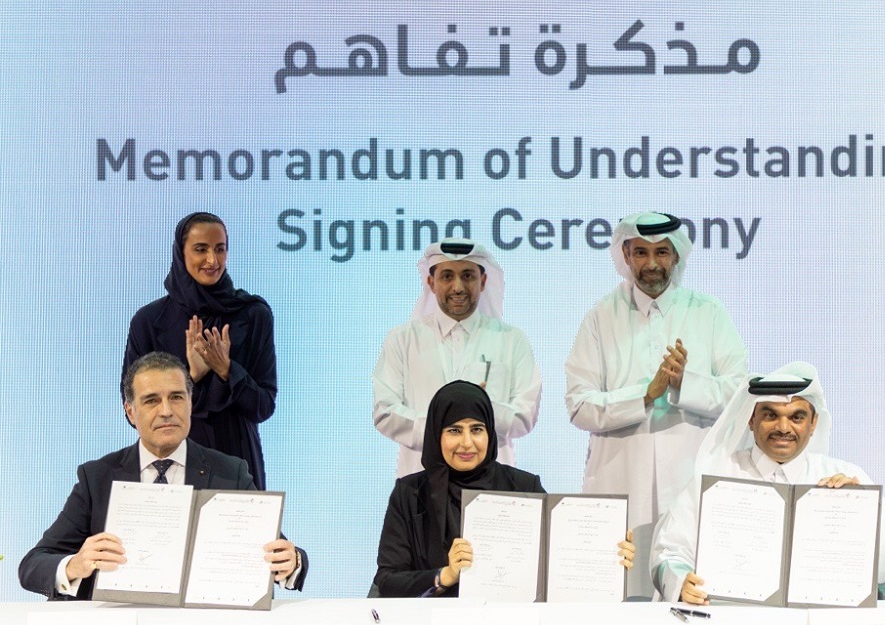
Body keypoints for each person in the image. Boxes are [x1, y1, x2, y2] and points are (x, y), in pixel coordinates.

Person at [20, 352, 306, 600]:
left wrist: (291, 562)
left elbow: (278, 553)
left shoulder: (231, 472)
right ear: (130, 411)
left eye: (177, 397)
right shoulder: (97, 477)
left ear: (190, 403)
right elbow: (33, 564)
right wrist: (75, 565)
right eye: (151, 401)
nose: (167, 411)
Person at [564, 211, 748, 599]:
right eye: (641, 253)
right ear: (626, 256)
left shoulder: (707, 313)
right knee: (618, 600)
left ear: (677, 255)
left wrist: (685, 383)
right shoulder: (600, 317)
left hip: (687, 478)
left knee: (690, 595)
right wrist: (645, 395)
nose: (651, 264)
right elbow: (579, 406)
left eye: (661, 252)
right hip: (619, 480)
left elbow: (739, 395)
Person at [649, 361, 885, 604]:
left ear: (813, 424)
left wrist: (863, 510)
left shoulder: (843, 478)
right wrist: (682, 583)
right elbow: (670, 551)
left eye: (797, 417)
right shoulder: (717, 477)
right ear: (751, 420)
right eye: (770, 415)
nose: (784, 427)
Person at [373, 380, 635, 597]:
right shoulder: (410, 493)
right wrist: (445, 575)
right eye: (454, 430)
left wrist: (606, 556)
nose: (466, 443)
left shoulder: (523, 487)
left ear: (490, 433)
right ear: (435, 434)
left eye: (477, 429)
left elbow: (554, 565)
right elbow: (387, 579)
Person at [122, 211, 276, 489]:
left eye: (220, 249)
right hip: (170, 462)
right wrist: (189, 376)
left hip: (236, 462)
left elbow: (263, 406)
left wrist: (227, 370)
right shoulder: (148, 321)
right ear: (181, 253)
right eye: (200, 249)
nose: (212, 260)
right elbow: (134, 411)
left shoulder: (252, 314)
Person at [373, 238, 541, 478]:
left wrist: (482, 408)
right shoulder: (403, 339)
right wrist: (442, 430)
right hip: (422, 482)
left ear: (483, 281)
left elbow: (524, 417)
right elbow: (385, 412)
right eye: (447, 276)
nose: (458, 287)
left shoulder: (511, 340)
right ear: (431, 283)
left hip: (491, 486)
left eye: (468, 276)